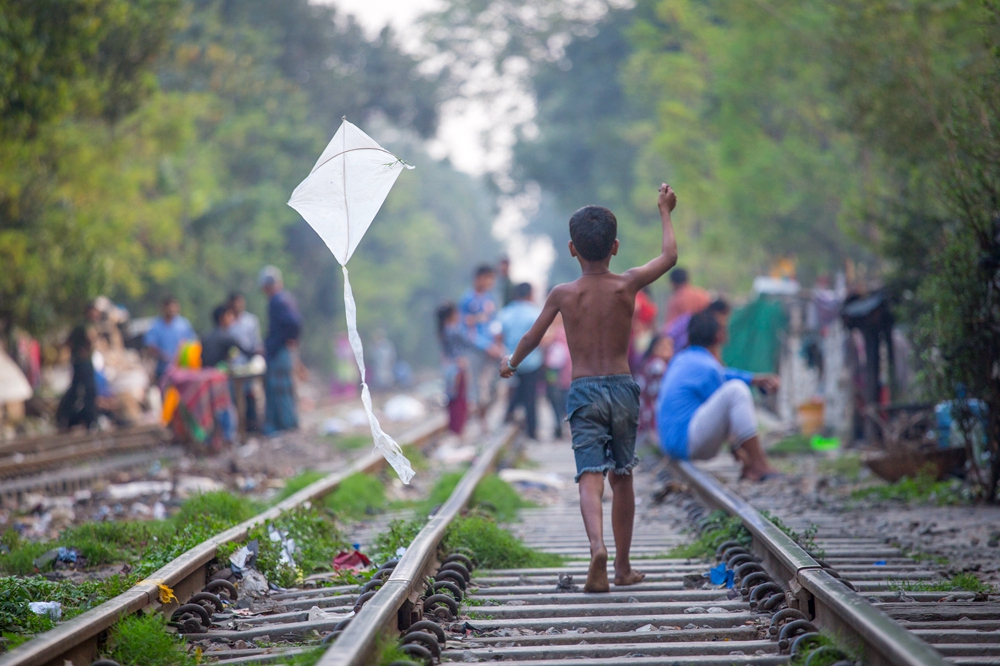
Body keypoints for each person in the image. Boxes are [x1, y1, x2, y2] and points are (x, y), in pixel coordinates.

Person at [500, 183, 679, 593]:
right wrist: (664, 210)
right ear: (614, 247)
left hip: (582, 391)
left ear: (571, 249)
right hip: (621, 388)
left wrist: (511, 364)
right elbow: (670, 256)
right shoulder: (627, 284)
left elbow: (531, 337)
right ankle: (622, 566)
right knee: (623, 476)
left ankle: (596, 547)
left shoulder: (563, 294)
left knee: (589, 475)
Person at [657, 310, 781, 481]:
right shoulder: (708, 367)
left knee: (733, 391)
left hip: (672, 443)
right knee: (737, 391)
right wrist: (738, 449)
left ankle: (752, 465)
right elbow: (726, 398)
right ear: (719, 336)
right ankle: (758, 465)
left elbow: (723, 375)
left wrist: (754, 379)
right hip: (686, 442)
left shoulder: (683, 359)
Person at [497, 283, 545, 439]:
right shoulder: (534, 312)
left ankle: (507, 418)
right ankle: (532, 431)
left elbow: (498, 336)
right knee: (530, 397)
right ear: (529, 294)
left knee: (516, 393)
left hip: (509, 362)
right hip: (532, 362)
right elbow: (541, 338)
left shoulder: (505, 313)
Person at [260, 266, 302, 433]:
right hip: (280, 350)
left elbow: (294, 323)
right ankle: (287, 424)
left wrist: (286, 340)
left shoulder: (278, 301)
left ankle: (283, 425)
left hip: (279, 352)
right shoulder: (284, 299)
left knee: (278, 387)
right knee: (282, 387)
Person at [459, 264, 503, 418]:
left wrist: (497, 343)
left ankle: (485, 413)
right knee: (476, 386)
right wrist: (485, 346)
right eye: (489, 279)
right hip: (475, 349)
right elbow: (465, 329)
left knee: (495, 382)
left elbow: (494, 323)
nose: (491, 283)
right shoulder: (467, 300)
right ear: (479, 278)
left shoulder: (490, 298)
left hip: (493, 348)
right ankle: (479, 420)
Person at [57, 302, 101, 430]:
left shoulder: (82, 325)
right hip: (82, 363)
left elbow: (68, 342)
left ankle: (68, 418)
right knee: (87, 391)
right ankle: (89, 420)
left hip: (82, 362)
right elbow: (91, 338)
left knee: (78, 390)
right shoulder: (85, 325)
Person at [437, 302, 474, 435]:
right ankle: (458, 429)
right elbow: (469, 342)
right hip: (458, 366)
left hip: (449, 367)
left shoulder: (443, 330)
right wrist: (470, 326)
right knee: (459, 399)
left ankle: (453, 428)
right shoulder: (454, 330)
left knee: (452, 398)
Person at [144, 296, 197, 381]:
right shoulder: (156, 325)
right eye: (169, 309)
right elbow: (150, 345)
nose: (172, 311)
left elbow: (192, 342)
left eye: (174, 308)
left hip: (182, 370)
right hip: (162, 369)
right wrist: (162, 355)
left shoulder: (183, 324)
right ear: (163, 309)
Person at [636, 334, 674, 445]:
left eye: (670, 346)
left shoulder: (647, 363)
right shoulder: (658, 366)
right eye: (663, 346)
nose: (668, 350)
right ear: (654, 348)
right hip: (650, 417)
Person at [543, 313, 572, 439]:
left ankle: (561, 423)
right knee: (554, 394)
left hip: (560, 370)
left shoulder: (563, 329)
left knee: (558, 395)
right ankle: (560, 423)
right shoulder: (550, 329)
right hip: (554, 370)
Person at [226, 292, 262, 362]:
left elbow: (256, 341)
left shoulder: (251, 320)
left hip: (248, 359)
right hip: (230, 361)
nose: (238, 305)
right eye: (236, 302)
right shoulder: (227, 321)